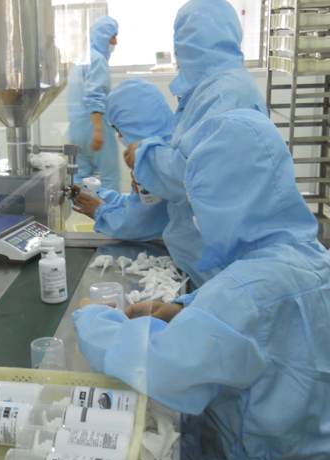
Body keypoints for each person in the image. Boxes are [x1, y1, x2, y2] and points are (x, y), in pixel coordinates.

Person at [74, 109, 330, 460]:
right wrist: (180, 308)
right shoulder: (313, 257)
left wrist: (93, 319)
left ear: (219, 199)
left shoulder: (246, 290)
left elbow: (162, 367)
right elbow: (272, 321)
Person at [125, 0, 267, 210]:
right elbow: (190, 149)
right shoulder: (217, 88)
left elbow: (192, 173)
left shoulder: (223, 95)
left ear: (187, 44)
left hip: (217, 227)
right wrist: (150, 175)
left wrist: (145, 158)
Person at [73, 79, 216, 286]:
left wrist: (99, 212)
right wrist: (101, 195)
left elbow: (140, 223)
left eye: (120, 129)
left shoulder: (157, 161)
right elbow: (141, 203)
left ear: (134, 123)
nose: (119, 137)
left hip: (201, 270)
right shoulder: (168, 147)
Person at [67, 16, 120, 191]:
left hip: (76, 130)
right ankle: (111, 209)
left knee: (79, 179)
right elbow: (94, 95)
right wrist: (98, 130)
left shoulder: (82, 59)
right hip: (94, 127)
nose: (116, 42)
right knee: (109, 178)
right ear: (103, 36)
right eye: (112, 36)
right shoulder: (97, 60)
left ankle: (79, 208)